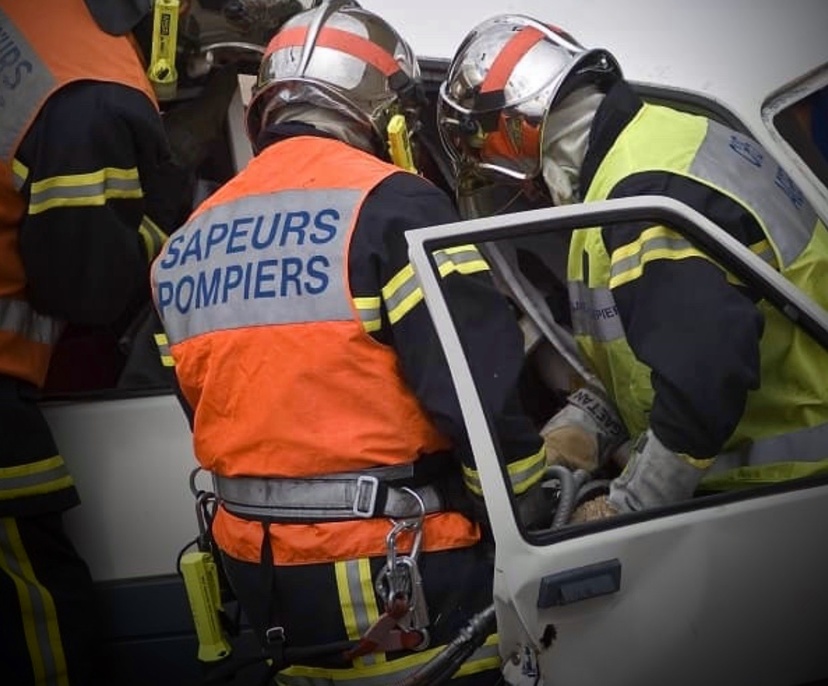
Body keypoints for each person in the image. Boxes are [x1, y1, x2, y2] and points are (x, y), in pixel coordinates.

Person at [150, 2, 549, 684]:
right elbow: (477, 399)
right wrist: (534, 514)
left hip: (261, 577)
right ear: (387, 118)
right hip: (400, 574)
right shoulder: (394, 205)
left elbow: (213, 408)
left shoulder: (185, 243)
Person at [437, 14, 828, 522]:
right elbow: (648, 355)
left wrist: (628, 508)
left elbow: (702, 378)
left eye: (482, 146)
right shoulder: (651, 146)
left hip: (784, 490)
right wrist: (583, 427)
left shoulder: (638, 199)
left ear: (516, 129)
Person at [0, 0, 193, 682]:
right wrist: (175, 232)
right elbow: (87, 283)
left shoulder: (32, 27)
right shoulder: (90, 88)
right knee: (40, 615)